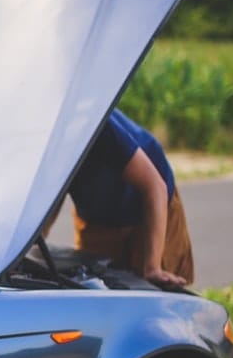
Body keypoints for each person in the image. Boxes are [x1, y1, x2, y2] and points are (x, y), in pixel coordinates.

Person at [65, 109, 194, 288]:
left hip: (151, 204)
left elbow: (155, 187)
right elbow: (48, 196)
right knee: (94, 288)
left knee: (157, 291)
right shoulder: (35, 140)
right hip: (97, 216)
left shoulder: (94, 124)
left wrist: (153, 267)